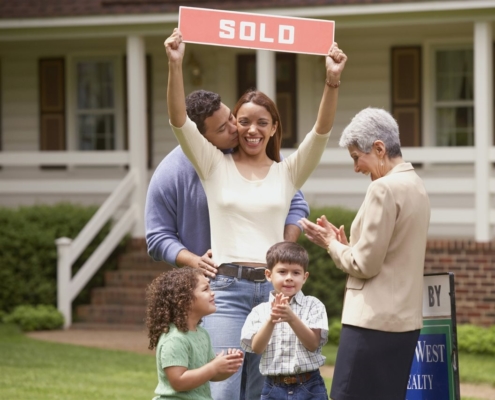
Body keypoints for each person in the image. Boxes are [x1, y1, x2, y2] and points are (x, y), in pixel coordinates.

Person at [165, 28, 346, 400]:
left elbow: (322, 131)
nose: (251, 129)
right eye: (243, 120)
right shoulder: (213, 165)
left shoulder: (288, 173)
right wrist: (175, 63)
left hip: (272, 293)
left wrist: (331, 82)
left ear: (274, 128)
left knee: (260, 392)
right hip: (227, 293)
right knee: (226, 392)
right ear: (235, 123)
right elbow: (180, 121)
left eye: (262, 122)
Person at [299, 107, 431, 400]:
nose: (356, 167)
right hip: (405, 325)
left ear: (380, 148)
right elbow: (392, 252)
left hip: (371, 324)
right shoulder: (416, 185)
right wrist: (347, 245)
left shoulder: (383, 189)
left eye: (357, 157)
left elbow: (365, 265)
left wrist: (330, 244)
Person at [145, 88, 309, 272]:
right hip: (206, 285)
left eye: (231, 117)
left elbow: (297, 204)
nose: (235, 129)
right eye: (222, 128)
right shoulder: (169, 174)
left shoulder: (255, 148)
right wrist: (195, 260)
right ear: (200, 138)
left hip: (266, 277)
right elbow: (157, 237)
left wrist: (283, 247)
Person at [240, 241, 329, 400]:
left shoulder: (313, 305)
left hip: (310, 386)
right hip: (273, 388)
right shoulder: (259, 311)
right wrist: (271, 320)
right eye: (282, 272)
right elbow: (257, 348)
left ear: (305, 277)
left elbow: (313, 343)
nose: (289, 278)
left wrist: (291, 318)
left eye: (296, 273)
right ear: (268, 275)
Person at [145, 267, 244, 400]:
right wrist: (214, 367)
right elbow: (178, 382)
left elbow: (210, 375)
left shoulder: (202, 333)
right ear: (184, 300)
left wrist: (227, 365)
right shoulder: (175, 339)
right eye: (205, 289)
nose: (212, 293)